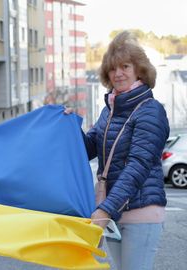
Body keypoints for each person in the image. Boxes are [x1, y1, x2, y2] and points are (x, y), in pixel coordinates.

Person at [67, 31, 169, 270]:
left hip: (140, 212)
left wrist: (104, 209)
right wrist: (69, 128)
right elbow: (88, 150)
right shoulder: (110, 109)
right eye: (113, 69)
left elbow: (138, 166)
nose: (118, 73)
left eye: (125, 66)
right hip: (112, 211)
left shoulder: (150, 110)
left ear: (139, 70)